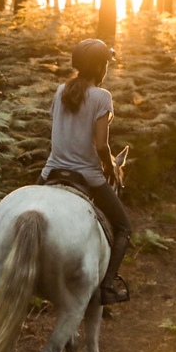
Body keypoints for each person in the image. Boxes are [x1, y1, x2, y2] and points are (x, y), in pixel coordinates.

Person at [39, 38, 132, 305]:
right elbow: (101, 144)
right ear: (101, 68)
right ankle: (107, 284)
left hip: (51, 171)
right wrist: (109, 167)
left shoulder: (60, 91)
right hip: (86, 175)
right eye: (106, 64)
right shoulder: (102, 97)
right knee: (125, 227)